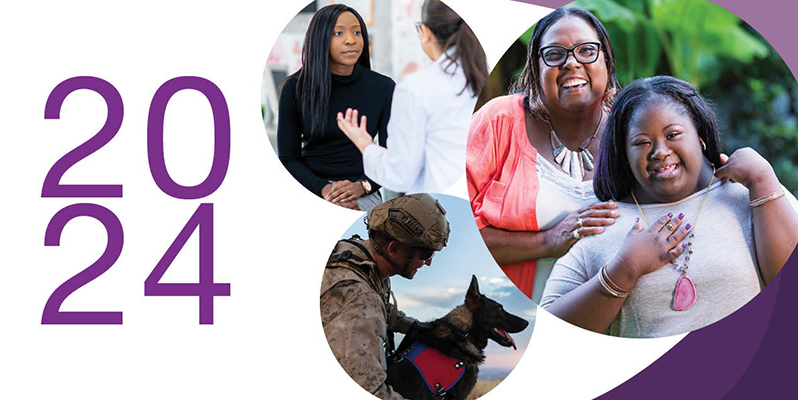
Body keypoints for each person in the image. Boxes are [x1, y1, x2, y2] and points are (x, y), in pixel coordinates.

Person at [540, 76, 798, 338]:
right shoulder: (601, 222)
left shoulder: (753, 193)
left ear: (699, 136)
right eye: (642, 142)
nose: (660, 151)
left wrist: (762, 180)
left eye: (673, 134)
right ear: (624, 154)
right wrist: (624, 271)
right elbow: (550, 335)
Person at [467, 7, 620, 301]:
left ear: (607, 61)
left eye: (586, 50)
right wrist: (547, 241)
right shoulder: (500, 120)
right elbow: (450, 226)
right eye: (554, 54)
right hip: (517, 319)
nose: (571, 63)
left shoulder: (631, 129)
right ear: (537, 68)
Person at [336, 0, 487, 194]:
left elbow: (399, 176)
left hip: (439, 206)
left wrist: (365, 145)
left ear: (426, 33)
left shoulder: (416, 88)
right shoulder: (484, 74)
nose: (350, 41)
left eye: (357, 32)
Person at [321, 193, 450, 399]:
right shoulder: (358, 300)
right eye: (426, 254)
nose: (428, 262)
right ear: (394, 248)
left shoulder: (360, 258)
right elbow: (370, 391)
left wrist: (416, 327)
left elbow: (384, 308)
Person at [277, 4, 395, 211]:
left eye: (357, 32)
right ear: (321, 39)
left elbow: (392, 157)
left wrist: (362, 187)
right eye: (338, 33)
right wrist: (325, 190)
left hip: (364, 187)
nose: (351, 40)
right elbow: (288, 158)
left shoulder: (384, 87)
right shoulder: (294, 88)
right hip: (313, 187)